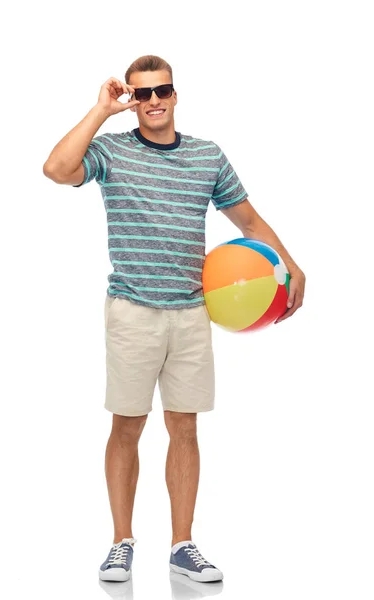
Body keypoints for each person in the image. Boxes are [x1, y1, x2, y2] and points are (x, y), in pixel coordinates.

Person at [43, 54, 306, 584]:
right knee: (127, 425)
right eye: (141, 94)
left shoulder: (207, 156)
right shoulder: (111, 152)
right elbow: (56, 169)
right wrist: (100, 111)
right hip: (132, 311)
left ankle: (182, 545)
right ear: (131, 99)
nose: (154, 100)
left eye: (161, 90)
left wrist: (290, 266)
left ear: (176, 93)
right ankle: (121, 542)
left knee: (184, 427)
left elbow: (248, 219)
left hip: (191, 313)